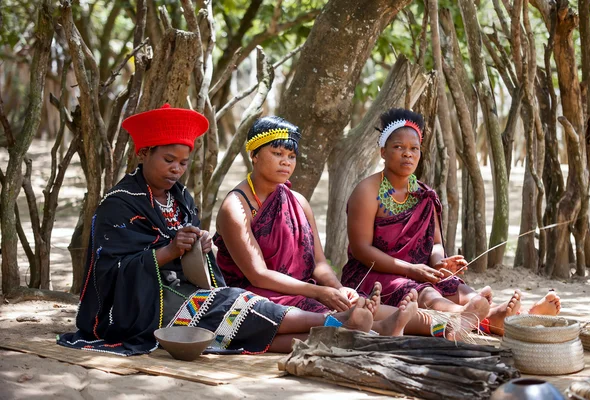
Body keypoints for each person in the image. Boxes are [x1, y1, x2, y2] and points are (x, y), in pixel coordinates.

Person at [57, 104, 414, 356]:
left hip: (187, 293)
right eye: (168, 160)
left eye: (183, 163)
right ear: (143, 153)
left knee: (229, 327)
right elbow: (111, 271)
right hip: (141, 306)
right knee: (232, 304)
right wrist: (169, 251)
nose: (177, 170)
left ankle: (352, 332)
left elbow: (192, 253)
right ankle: (338, 323)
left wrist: (200, 246)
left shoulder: (180, 197)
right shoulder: (120, 204)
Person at [213, 116, 482, 337]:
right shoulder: (236, 207)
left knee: (358, 306)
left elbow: (318, 262)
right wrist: (320, 291)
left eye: (291, 156)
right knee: (327, 317)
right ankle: (372, 329)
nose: (286, 162)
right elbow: (258, 275)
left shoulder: (298, 201)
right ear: (254, 155)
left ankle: (444, 326)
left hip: (300, 289)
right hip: (256, 296)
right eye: (277, 153)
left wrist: (337, 288)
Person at [340, 107, 561, 335]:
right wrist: (413, 270)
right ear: (383, 152)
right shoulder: (367, 191)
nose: (408, 154)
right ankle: (483, 318)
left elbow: (435, 244)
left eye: (414, 148)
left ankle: (499, 317)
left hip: (420, 272)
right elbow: (361, 250)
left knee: (458, 287)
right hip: (374, 275)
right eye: (398, 147)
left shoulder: (424, 194)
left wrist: (439, 264)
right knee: (425, 293)